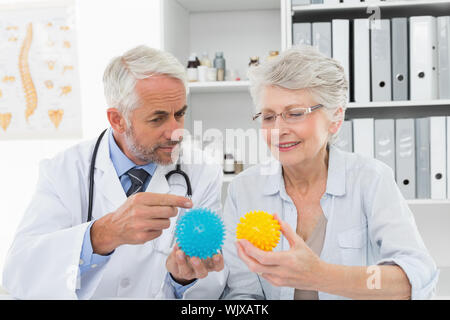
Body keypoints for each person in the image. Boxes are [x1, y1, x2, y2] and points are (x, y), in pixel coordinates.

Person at [2, 45, 227, 299]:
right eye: (158, 119)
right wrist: (102, 234)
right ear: (117, 120)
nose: (175, 131)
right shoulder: (63, 170)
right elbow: (19, 272)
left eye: (180, 114)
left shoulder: (202, 172)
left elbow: (211, 286)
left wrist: (182, 278)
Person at [220, 46, 439, 300]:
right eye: (269, 117)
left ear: (335, 118)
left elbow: (416, 278)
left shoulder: (370, 180)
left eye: (295, 114)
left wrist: (320, 275)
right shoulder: (244, 190)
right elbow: (241, 294)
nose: (278, 130)